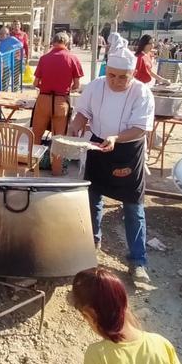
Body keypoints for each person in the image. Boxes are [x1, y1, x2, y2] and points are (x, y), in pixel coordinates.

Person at [68, 33, 155, 283]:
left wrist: (116, 138)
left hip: (128, 150)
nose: (115, 81)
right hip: (97, 144)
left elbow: (140, 129)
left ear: (133, 74)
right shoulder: (96, 85)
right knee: (92, 197)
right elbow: (83, 112)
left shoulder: (142, 93)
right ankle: (91, 245)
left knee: (133, 206)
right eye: (112, 76)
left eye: (122, 77)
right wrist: (76, 125)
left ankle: (138, 260)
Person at [31, 32, 84, 155]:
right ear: (66, 43)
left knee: (37, 136)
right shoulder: (73, 58)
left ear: (53, 42)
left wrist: (45, 86)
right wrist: (65, 89)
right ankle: (56, 169)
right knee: (58, 140)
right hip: (61, 101)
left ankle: (34, 167)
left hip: (44, 99)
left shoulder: (44, 58)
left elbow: (35, 83)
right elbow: (76, 85)